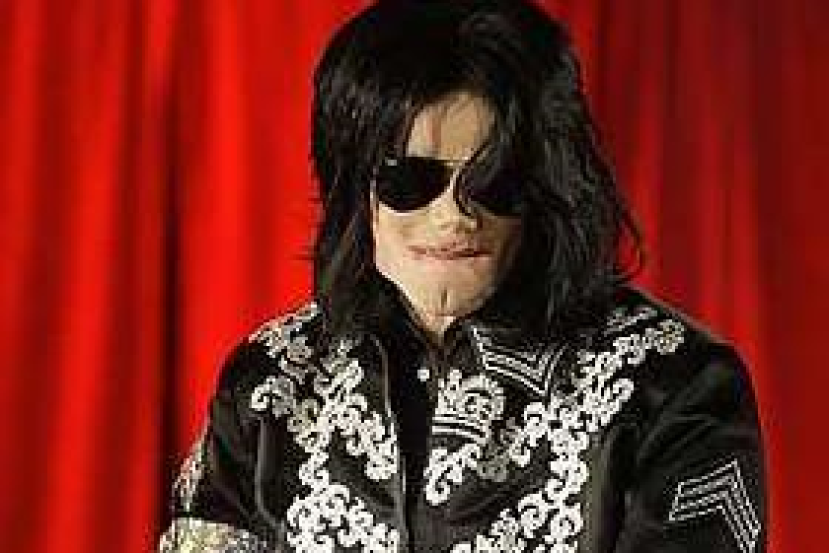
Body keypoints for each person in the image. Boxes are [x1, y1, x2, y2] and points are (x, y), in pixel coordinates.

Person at [159, 0, 767, 551]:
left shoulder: (674, 384)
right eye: (410, 181)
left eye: (492, 180)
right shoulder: (270, 382)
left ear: (544, 187)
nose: (454, 216)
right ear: (354, 188)